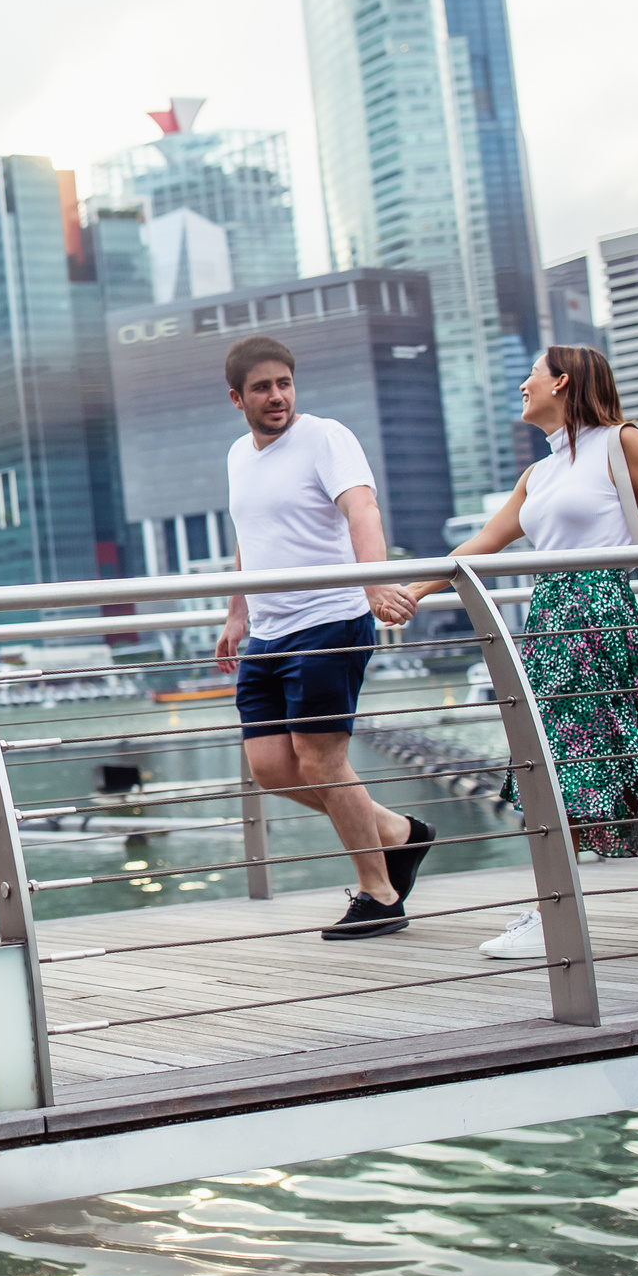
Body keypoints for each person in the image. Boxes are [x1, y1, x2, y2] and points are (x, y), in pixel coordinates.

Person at [389, 344, 638, 954]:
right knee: (612, 761)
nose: (522, 387)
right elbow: (486, 541)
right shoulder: (540, 472)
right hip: (552, 619)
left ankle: (552, 911)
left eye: (531, 376)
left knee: (572, 762)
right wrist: (417, 590)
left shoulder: (621, 442)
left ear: (561, 381)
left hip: (604, 616)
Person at [213, 335, 432, 940]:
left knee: (320, 760)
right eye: (262, 387)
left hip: (330, 621)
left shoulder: (326, 436)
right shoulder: (238, 455)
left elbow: (362, 511)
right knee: (271, 768)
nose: (276, 396)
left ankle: (380, 892)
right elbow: (249, 539)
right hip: (269, 631)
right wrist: (236, 615)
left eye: (284, 383)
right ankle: (395, 833)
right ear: (237, 398)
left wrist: (372, 585)